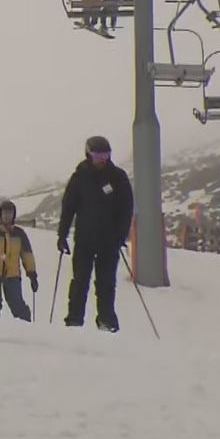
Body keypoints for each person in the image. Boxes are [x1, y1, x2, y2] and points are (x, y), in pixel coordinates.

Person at [57, 135, 134, 332]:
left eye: (106, 155)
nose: (103, 159)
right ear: (89, 154)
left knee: (106, 283)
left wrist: (121, 235)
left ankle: (106, 320)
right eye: (98, 155)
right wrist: (62, 235)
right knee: (80, 281)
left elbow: (126, 208)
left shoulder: (118, 177)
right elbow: (69, 207)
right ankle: (74, 319)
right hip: (85, 240)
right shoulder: (79, 177)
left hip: (109, 242)